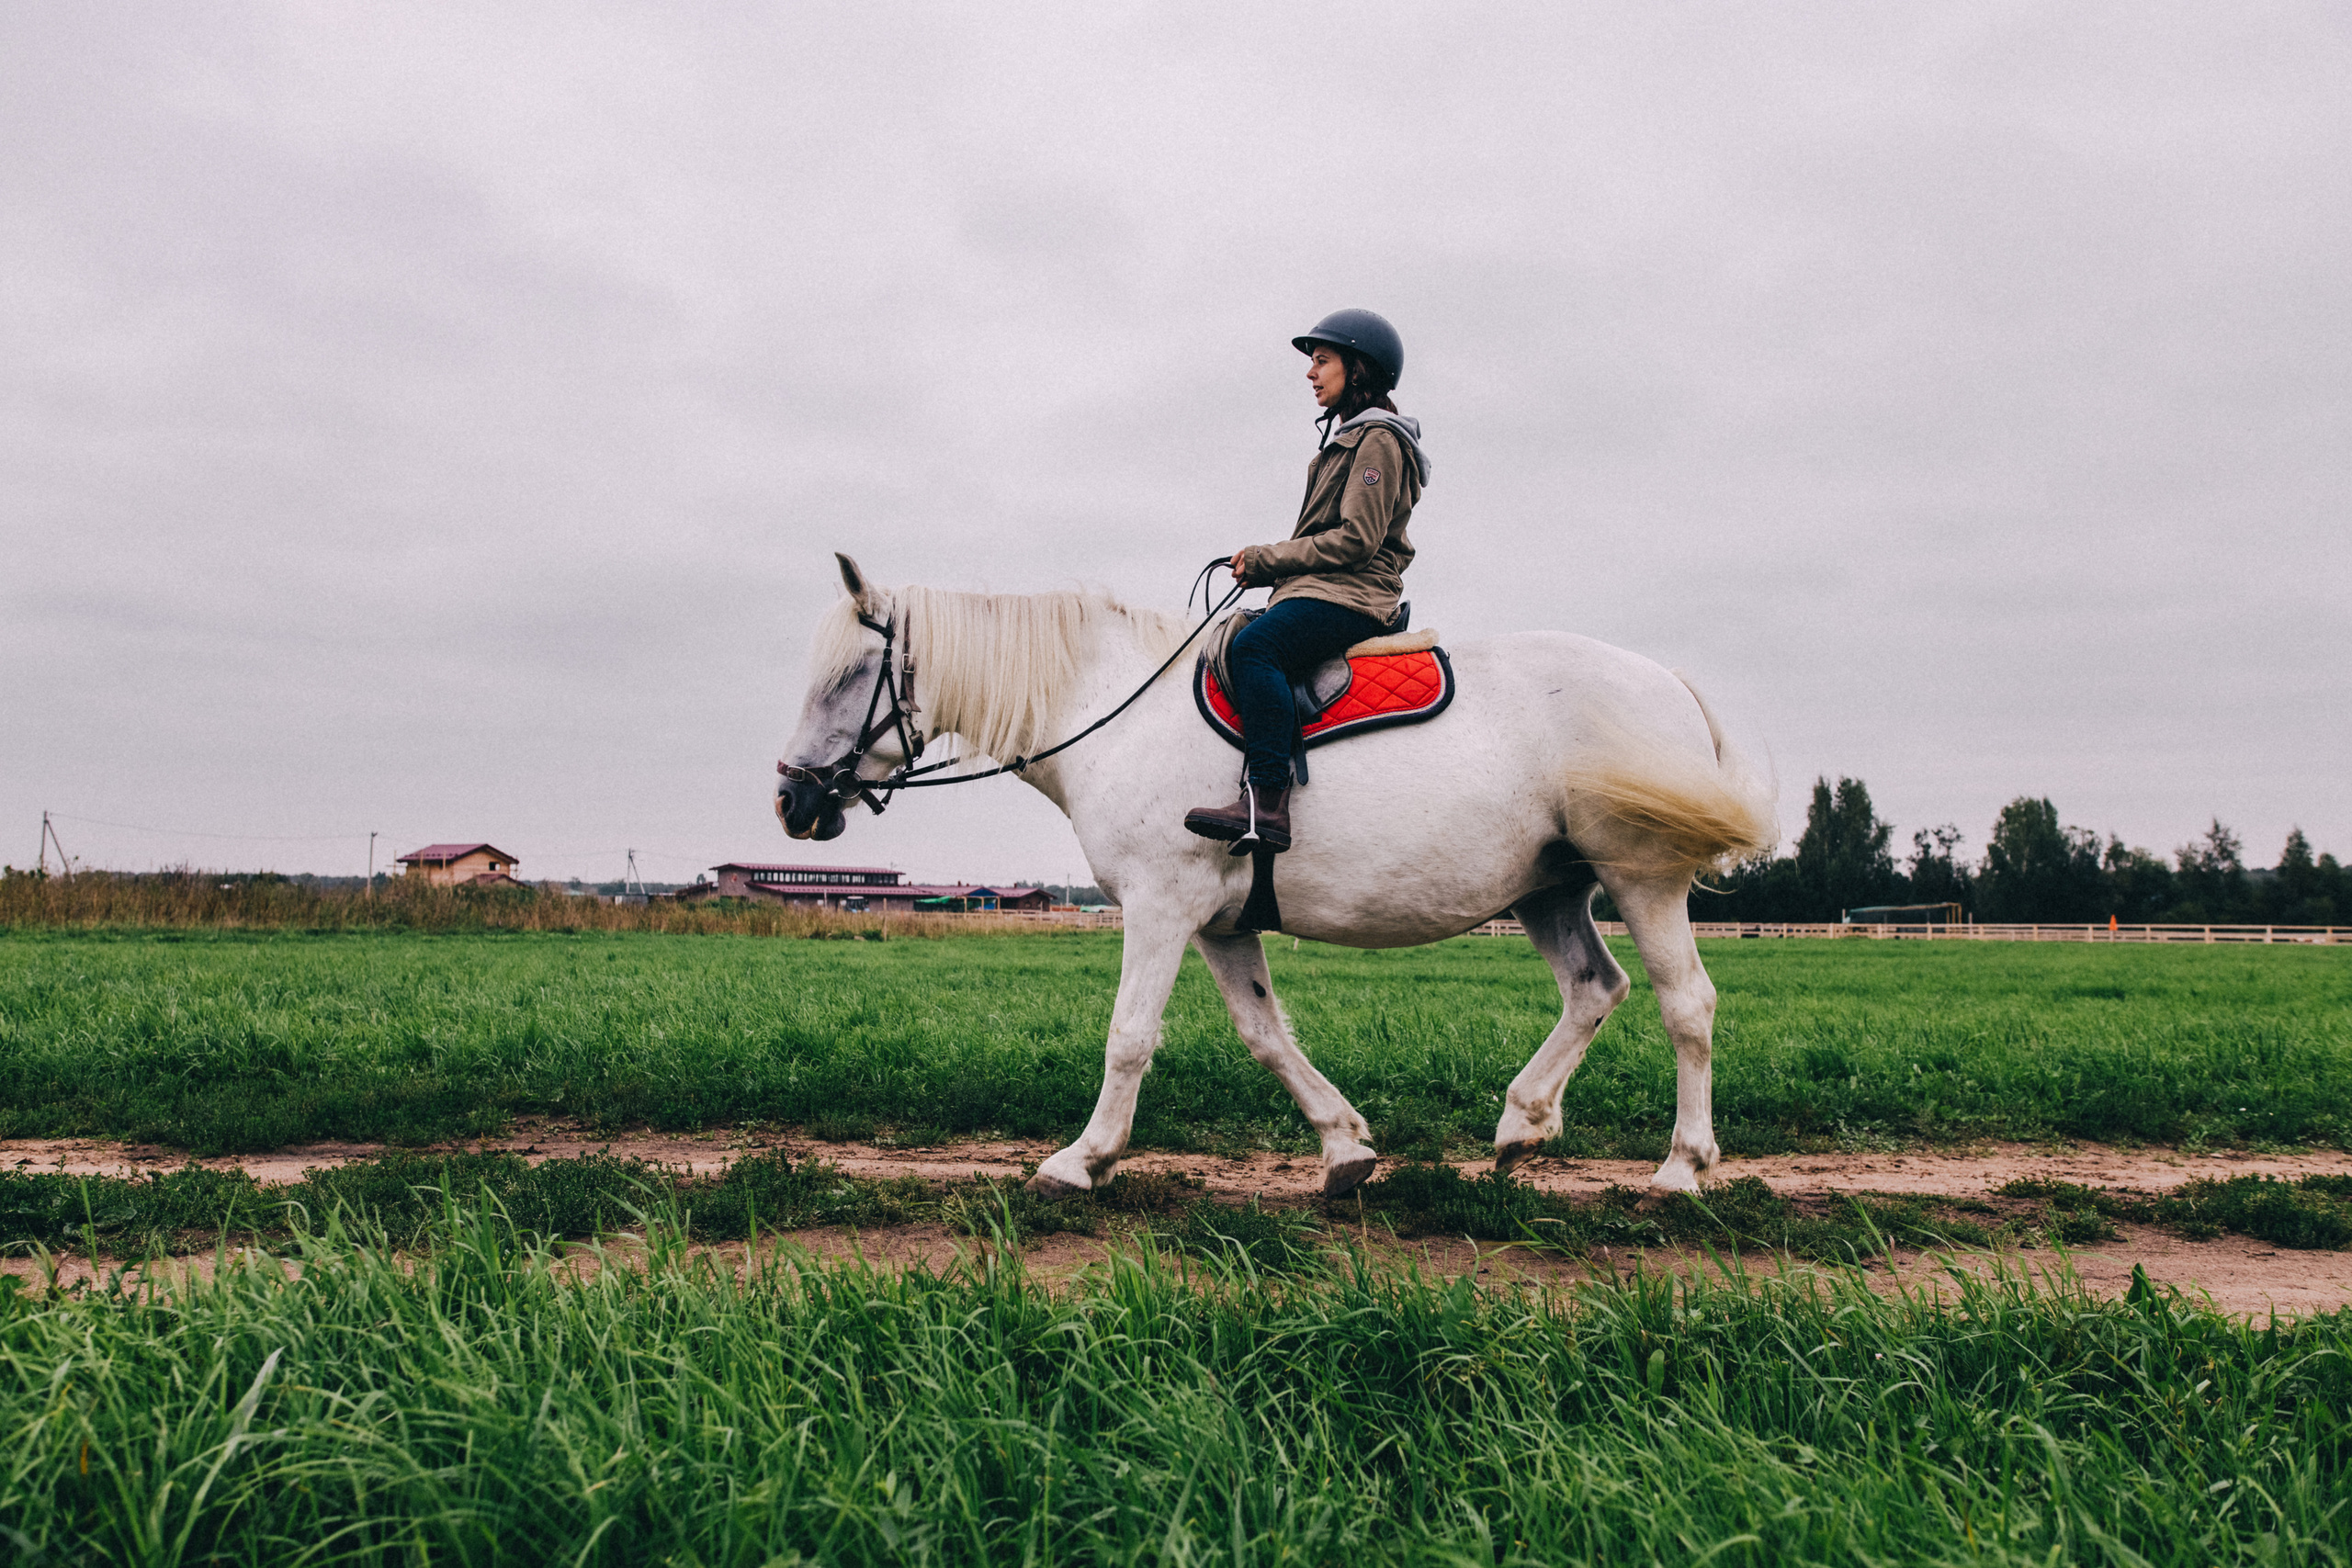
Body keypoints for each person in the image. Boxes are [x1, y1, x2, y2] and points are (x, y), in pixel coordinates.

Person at [1184, 308, 1430, 853]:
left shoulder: (1378, 442)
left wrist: (1269, 560)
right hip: (1326, 588)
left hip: (1356, 593)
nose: (1311, 372)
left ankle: (1267, 801)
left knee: (1255, 649)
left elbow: (1357, 540)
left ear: (1358, 369)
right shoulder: (1347, 439)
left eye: (1322, 361)